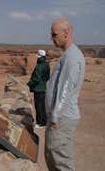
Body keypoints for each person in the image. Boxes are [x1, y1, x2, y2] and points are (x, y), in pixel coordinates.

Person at [44, 18, 84, 171]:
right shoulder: (68, 55)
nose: (51, 38)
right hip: (59, 118)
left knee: (61, 162)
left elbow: (65, 89)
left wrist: (55, 116)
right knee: (53, 157)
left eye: (54, 34)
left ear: (66, 33)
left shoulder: (72, 57)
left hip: (61, 118)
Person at [27, 49, 49, 128]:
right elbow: (47, 77)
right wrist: (43, 83)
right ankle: (45, 122)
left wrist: (29, 84)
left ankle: (39, 123)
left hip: (38, 89)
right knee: (43, 105)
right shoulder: (47, 64)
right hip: (43, 88)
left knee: (38, 106)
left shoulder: (39, 66)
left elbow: (36, 79)